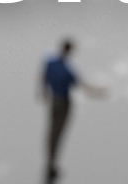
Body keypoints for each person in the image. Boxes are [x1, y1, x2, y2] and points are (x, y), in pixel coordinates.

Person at [42, 38, 98, 180]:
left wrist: (43, 91)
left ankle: (51, 160)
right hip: (63, 103)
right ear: (70, 51)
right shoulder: (67, 71)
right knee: (58, 132)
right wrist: (100, 92)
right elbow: (83, 87)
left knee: (53, 131)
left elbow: (44, 76)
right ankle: (51, 162)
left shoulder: (51, 62)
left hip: (55, 100)